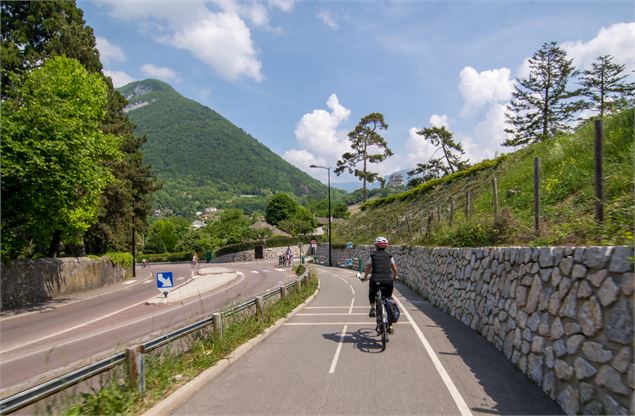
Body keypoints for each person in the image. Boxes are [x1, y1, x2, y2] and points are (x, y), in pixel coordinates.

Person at [361, 236, 398, 333]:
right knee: (388, 299)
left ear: (376, 246)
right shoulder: (389, 255)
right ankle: (390, 326)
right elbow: (394, 269)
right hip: (388, 281)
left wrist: (365, 276)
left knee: (372, 292)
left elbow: (368, 267)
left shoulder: (372, 255)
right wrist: (394, 276)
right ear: (386, 246)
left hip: (375, 280)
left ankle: (372, 308)